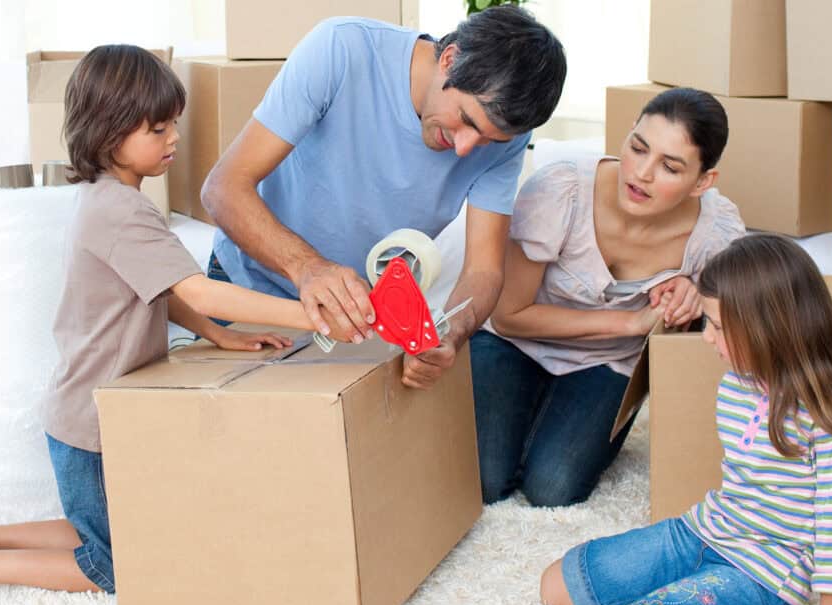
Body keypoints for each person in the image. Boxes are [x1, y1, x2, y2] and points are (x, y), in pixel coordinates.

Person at [0, 44, 336, 605]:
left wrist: (219, 334)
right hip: (90, 425)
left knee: (103, 531)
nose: (174, 140)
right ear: (112, 133)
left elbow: (162, 290)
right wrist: (314, 309)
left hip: (87, 413)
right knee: (110, 565)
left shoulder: (110, 200)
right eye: (158, 129)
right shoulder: (122, 211)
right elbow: (195, 288)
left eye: (174, 126)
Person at [538, 234, 832, 605]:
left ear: (768, 325)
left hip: (762, 575)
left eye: (716, 326)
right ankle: (689, 603)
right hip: (703, 533)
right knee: (557, 585)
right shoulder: (738, 382)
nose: (706, 339)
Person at [201, 6, 566, 389]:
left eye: (489, 140)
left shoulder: (506, 138)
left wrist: (450, 332)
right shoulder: (342, 48)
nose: (465, 149)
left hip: (348, 319)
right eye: (468, 121)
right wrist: (308, 267)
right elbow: (223, 188)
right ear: (450, 59)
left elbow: (484, 270)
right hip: (246, 288)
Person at [473, 87, 745, 507]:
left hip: (607, 363)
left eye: (670, 167)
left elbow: (723, 328)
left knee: (553, 489)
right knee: (486, 483)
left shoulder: (716, 234)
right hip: (515, 343)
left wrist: (698, 295)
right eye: (638, 148)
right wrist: (629, 323)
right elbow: (509, 316)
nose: (641, 173)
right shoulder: (560, 189)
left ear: (703, 181)